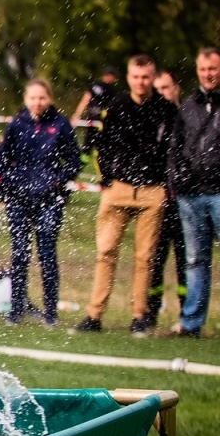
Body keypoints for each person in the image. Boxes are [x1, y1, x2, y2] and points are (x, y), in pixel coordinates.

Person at [74, 54, 178, 336]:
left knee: (145, 257)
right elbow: (101, 144)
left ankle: (139, 317)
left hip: (151, 192)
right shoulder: (116, 106)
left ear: (152, 78)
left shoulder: (166, 110)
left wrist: (165, 186)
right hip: (117, 189)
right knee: (105, 252)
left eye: (146, 77)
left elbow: (173, 151)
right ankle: (94, 316)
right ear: (129, 77)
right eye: (135, 76)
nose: (140, 82)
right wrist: (107, 178)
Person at [0, 79, 81, 326]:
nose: (37, 102)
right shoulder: (16, 124)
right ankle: (16, 309)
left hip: (49, 201)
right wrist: (10, 182)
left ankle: (51, 312)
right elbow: (3, 160)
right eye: (33, 98)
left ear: (50, 99)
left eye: (42, 98)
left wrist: (58, 181)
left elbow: (74, 161)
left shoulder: (61, 125)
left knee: (47, 255)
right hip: (19, 199)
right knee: (20, 254)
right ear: (25, 99)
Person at [170, 47, 220, 338]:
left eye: (213, 68)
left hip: (217, 192)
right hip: (191, 195)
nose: (208, 74)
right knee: (195, 260)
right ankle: (191, 323)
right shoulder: (188, 105)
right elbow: (175, 147)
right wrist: (175, 178)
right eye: (203, 69)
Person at [148, 69, 188, 321]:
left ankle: (188, 310)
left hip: (185, 199)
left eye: (166, 88)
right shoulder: (153, 119)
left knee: (187, 258)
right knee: (156, 256)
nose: (162, 93)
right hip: (159, 197)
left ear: (176, 88)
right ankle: (152, 308)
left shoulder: (188, 117)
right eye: (158, 89)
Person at [72, 65, 119, 151]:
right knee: (90, 144)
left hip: (100, 119)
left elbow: (85, 100)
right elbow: (86, 100)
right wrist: (77, 115)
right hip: (98, 118)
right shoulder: (100, 87)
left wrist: (77, 115)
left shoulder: (110, 90)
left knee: (92, 144)